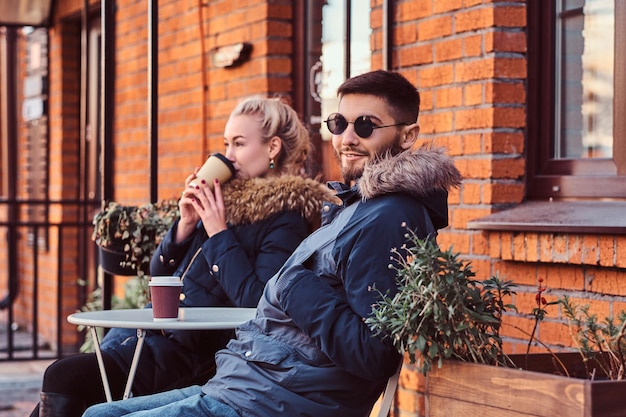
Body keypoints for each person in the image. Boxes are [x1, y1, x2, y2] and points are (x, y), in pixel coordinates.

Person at [82, 69, 462, 417]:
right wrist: (187, 226)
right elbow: (164, 273)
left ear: (407, 135)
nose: (347, 138)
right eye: (339, 122)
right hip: (246, 382)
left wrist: (293, 281)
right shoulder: (356, 207)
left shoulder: (386, 218)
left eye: (366, 126)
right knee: (98, 413)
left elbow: (372, 353)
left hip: (278, 398)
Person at [31, 96, 335, 417]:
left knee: (63, 377)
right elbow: (159, 273)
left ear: (272, 148)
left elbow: (258, 302)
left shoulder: (286, 218)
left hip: (192, 357)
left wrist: (218, 233)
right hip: (145, 341)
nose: (227, 156)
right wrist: (185, 223)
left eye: (239, 144)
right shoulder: (225, 201)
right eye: (226, 144)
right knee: (60, 392)